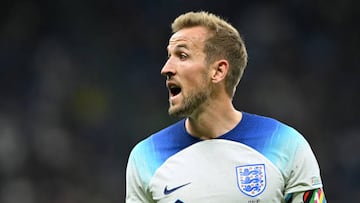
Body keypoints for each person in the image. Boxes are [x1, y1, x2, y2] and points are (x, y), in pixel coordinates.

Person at [126, 11, 326, 203]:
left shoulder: (287, 144)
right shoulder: (145, 157)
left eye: (182, 56)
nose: (166, 69)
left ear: (218, 71)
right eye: (169, 56)